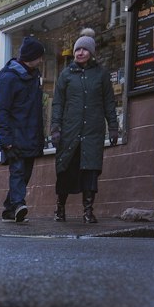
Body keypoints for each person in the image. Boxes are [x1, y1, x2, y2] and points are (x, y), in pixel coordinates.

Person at [50, 28, 120, 224]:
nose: (80, 53)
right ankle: (60, 208)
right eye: (77, 50)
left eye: (84, 49)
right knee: (65, 170)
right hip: (70, 131)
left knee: (90, 171)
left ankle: (88, 211)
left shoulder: (101, 75)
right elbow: (58, 103)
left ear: (91, 52)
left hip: (92, 132)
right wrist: (56, 127)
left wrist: (113, 126)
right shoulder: (66, 75)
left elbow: (109, 103)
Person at [0, 35, 46, 223]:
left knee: (25, 175)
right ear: (30, 56)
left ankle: (10, 208)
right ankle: (18, 204)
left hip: (31, 135)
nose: (41, 60)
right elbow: (1, 111)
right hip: (15, 138)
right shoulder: (9, 78)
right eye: (39, 56)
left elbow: (35, 110)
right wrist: (6, 140)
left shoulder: (34, 76)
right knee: (17, 172)